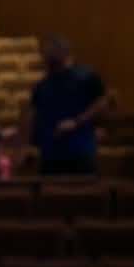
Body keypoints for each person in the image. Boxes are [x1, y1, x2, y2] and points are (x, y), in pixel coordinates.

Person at [24, 35, 110, 177]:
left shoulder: (85, 76)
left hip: (79, 151)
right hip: (50, 154)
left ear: (63, 53)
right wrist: (28, 145)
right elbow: (33, 116)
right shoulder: (41, 86)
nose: (44, 58)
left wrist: (76, 121)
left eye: (49, 53)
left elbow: (103, 103)